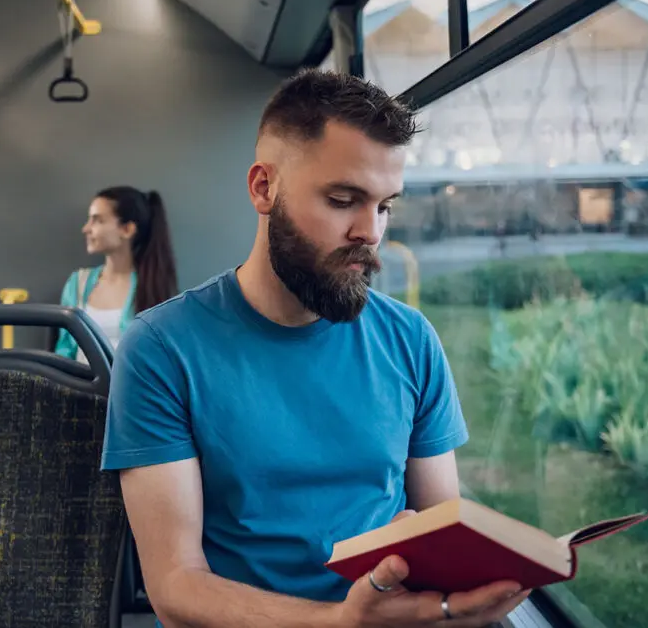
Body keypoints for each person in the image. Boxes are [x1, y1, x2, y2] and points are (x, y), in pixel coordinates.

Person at [100, 69, 531, 628]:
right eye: (343, 199)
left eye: (384, 206)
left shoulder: (411, 340)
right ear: (264, 188)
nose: (370, 231)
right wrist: (342, 621)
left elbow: (439, 525)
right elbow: (176, 584)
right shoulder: (161, 349)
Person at [54, 186, 178, 363]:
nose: (86, 228)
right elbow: (64, 349)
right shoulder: (78, 284)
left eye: (98, 220)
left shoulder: (151, 287)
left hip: (129, 389)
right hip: (78, 387)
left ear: (127, 230)